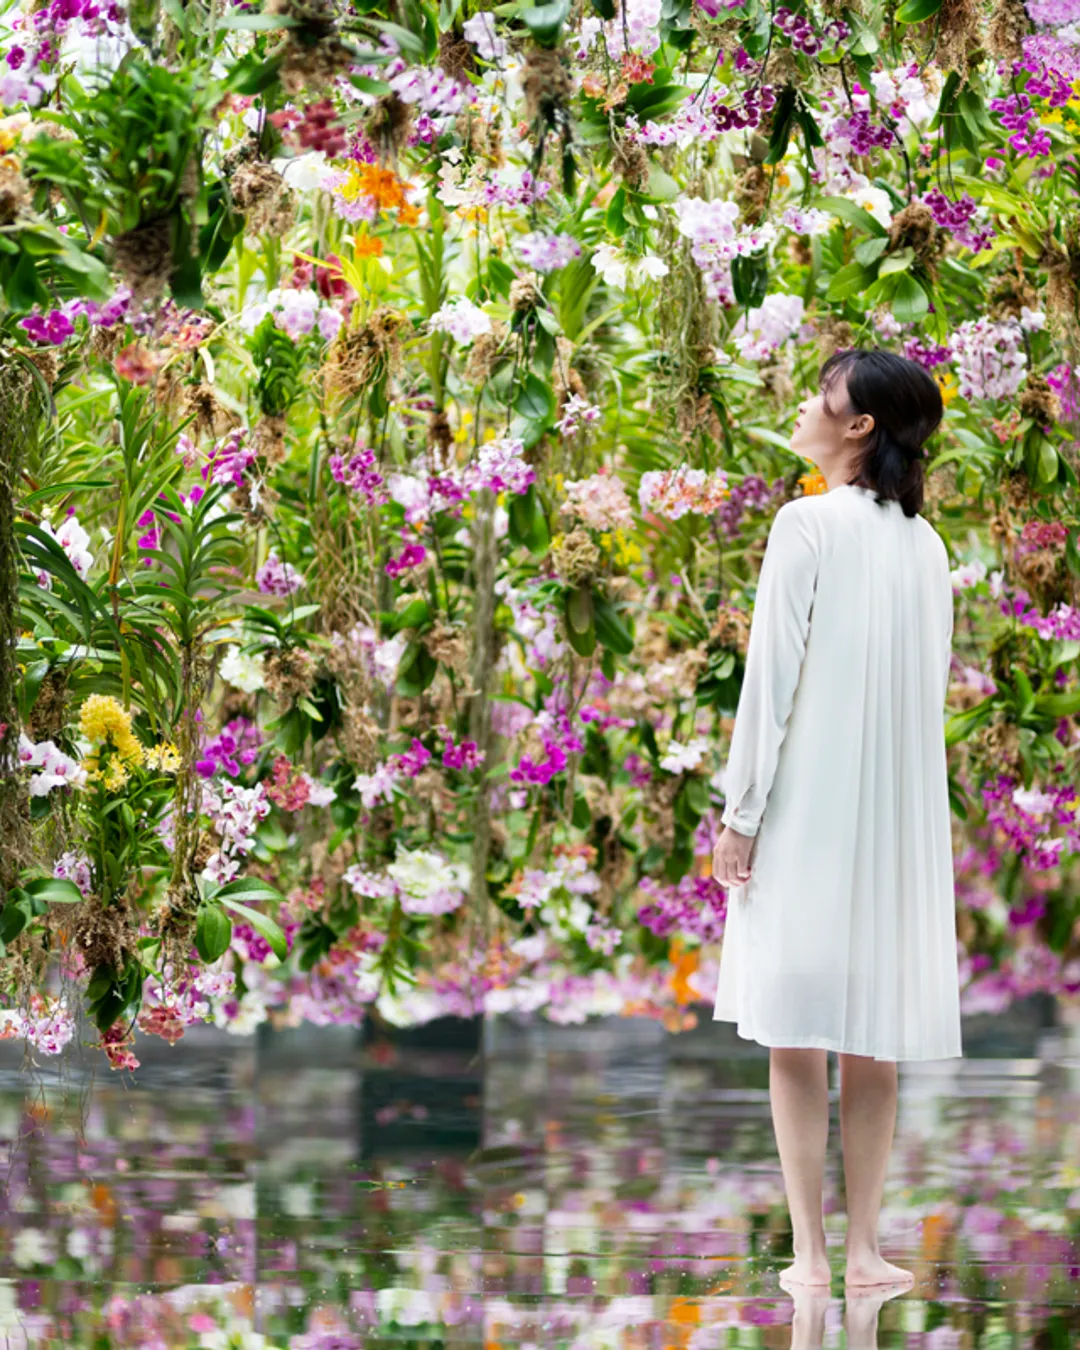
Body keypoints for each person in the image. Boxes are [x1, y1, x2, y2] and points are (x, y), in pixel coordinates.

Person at [710, 347, 963, 1293]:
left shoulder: (805, 524)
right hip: (896, 815)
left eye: (822, 397)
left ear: (859, 428)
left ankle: (813, 1257)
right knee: (871, 1033)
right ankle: (863, 1251)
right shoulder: (926, 544)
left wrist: (743, 815)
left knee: (797, 1031)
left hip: (809, 806)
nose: (805, 408)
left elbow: (768, 684)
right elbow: (925, 693)